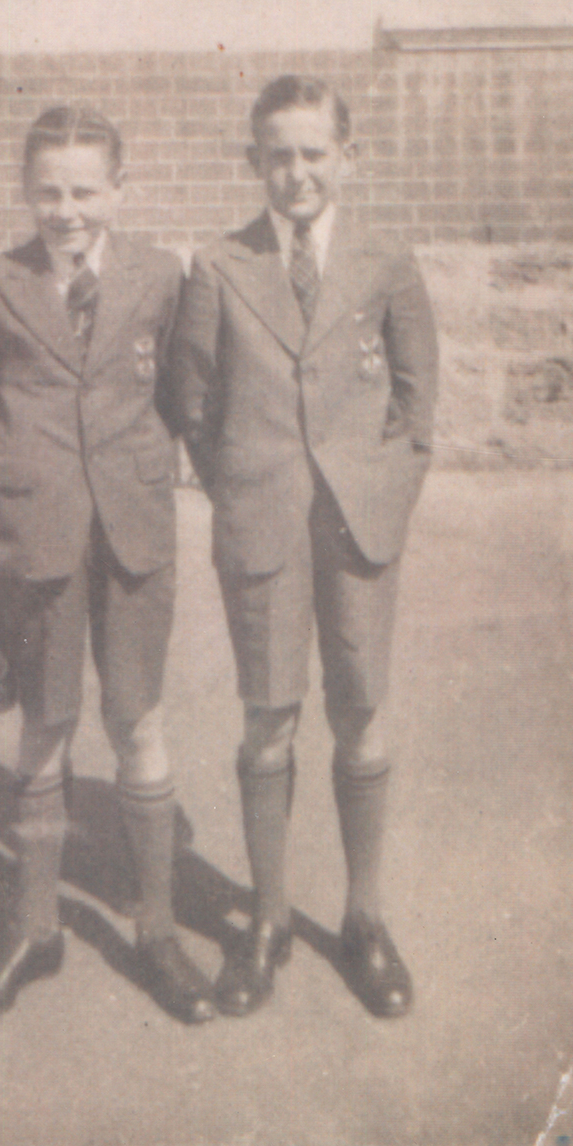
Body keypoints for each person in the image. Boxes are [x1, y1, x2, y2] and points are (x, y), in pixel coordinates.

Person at [0, 105, 216, 1026]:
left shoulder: (159, 278)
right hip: (34, 544)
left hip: (133, 536)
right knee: (45, 729)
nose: (66, 211)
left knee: (137, 722)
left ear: (119, 190)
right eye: (48, 192)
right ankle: (32, 929)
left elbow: (185, 402)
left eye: (84, 191)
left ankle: (158, 931)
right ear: (26, 193)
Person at [170, 75, 438, 1019]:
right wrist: (243, 485)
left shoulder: (383, 259)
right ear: (254, 164)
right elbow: (190, 406)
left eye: (313, 153)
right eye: (276, 155)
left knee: (361, 709)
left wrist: (387, 491)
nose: (295, 173)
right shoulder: (218, 266)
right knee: (268, 719)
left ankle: (363, 919)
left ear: (346, 159)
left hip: (360, 524)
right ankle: (269, 920)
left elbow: (417, 398)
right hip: (264, 526)